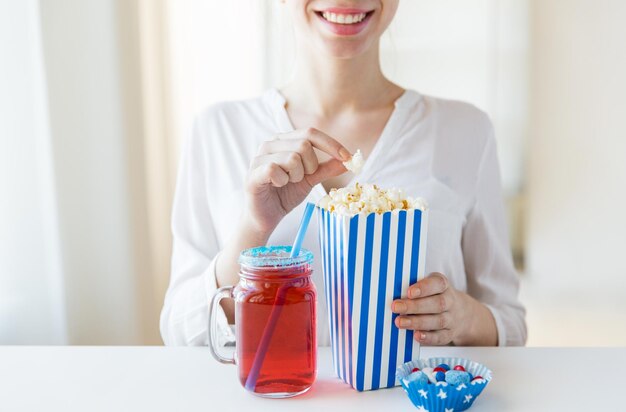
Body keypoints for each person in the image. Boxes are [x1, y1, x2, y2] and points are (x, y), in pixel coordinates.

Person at [160, 0, 527, 348]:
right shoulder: (217, 131)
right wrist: (255, 228)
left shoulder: (466, 130)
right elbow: (179, 329)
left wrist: (463, 318)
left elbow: (510, 323)